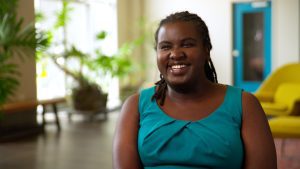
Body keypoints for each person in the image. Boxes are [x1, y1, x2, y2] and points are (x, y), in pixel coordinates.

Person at [113, 11, 277, 169]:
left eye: (187, 44)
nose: (175, 54)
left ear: (206, 50)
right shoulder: (135, 106)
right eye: (165, 47)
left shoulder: (244, 104)